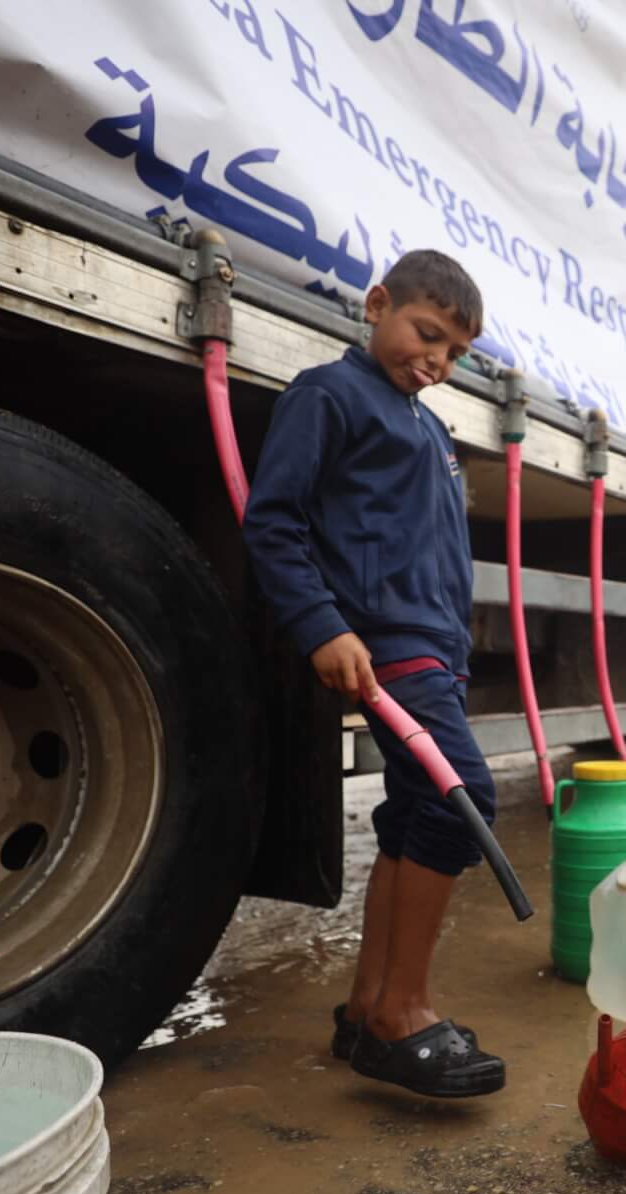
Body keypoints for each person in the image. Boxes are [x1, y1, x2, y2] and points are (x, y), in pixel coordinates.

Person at [243, 249, 505, 1099]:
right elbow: (273, 523)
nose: (435, 361)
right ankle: (404, 1010)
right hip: (384, 643)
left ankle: (367, 1010)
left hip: (434, 649)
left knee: (412, 815)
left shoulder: (428, 425)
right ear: (377, 303)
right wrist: (323, 627)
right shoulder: (328, 394)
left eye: (455, 354)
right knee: (460, 795)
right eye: (427, 335)